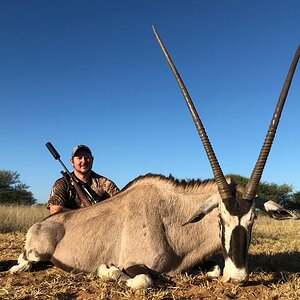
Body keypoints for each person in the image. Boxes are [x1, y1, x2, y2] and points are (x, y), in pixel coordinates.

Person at [47, 145, 120, 215]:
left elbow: (120, 203)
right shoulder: (62, 183)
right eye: (79, 158)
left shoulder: (105, 183)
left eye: (87, 157)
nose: (84, 161)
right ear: (72, 161)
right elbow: (55, 212)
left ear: (92, 159)